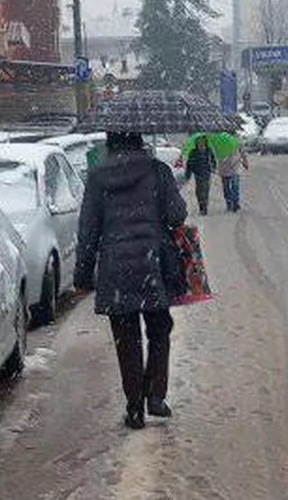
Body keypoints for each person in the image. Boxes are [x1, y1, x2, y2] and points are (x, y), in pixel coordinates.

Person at [75, 131, 188, 430]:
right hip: (153, 265)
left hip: (115, 269)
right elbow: (177, 215)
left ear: (111, 143)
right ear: (139, 139)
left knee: (127, 340)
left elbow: (88, 229)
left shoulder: (98, 177)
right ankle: (155, 396)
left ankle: (134, 407)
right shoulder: (157, 171)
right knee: (160, 329)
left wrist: (83, 275)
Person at [185, 136, 216, 215]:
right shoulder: (193, 152)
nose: (200, 143)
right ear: (196, 143)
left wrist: (214, 168)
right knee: (199, 191)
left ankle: (204, 208)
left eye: (202, 142)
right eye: (199, 142)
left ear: (205, 142)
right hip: (197, 173)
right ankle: (201, 206)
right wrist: (188, 175)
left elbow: (213, 160)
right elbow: (189, 164)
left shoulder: (209, 151)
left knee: (205, 190)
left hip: (206, 173)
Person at [217, 142, 249, 212]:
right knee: (226, 187)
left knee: (235, 186)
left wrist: (245, 162)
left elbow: (243, 153)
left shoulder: (237, 141)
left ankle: (235, 202)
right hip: (224, 168)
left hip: (235, 167)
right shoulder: (219, 143)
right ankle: (229, 203)